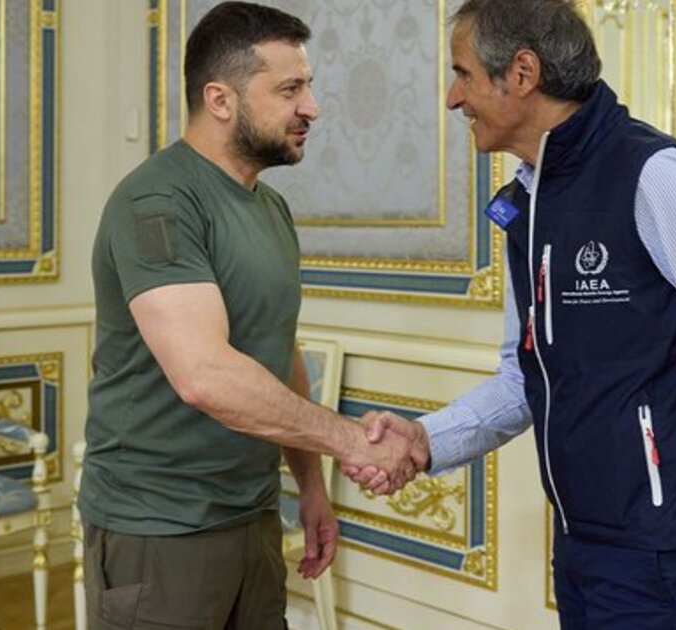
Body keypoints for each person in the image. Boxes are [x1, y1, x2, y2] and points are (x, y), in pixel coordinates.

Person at [344, 0, 676, 627]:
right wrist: (426, 440)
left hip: (661, 554)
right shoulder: (526, 201)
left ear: (522, 73)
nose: (453, 98)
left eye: (463, 74)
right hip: (580, 544)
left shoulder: (658, 178)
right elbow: (524, 378)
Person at [78, 3, 423, 628]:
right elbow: (204, 376)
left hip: (253, 514)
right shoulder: (156, 202)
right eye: (290, 89)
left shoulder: (271, 210)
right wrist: (352, 440)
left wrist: (310, 487)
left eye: (308, 86)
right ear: (220, 99)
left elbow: (277, 350)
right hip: (159, 528)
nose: (312, 107)